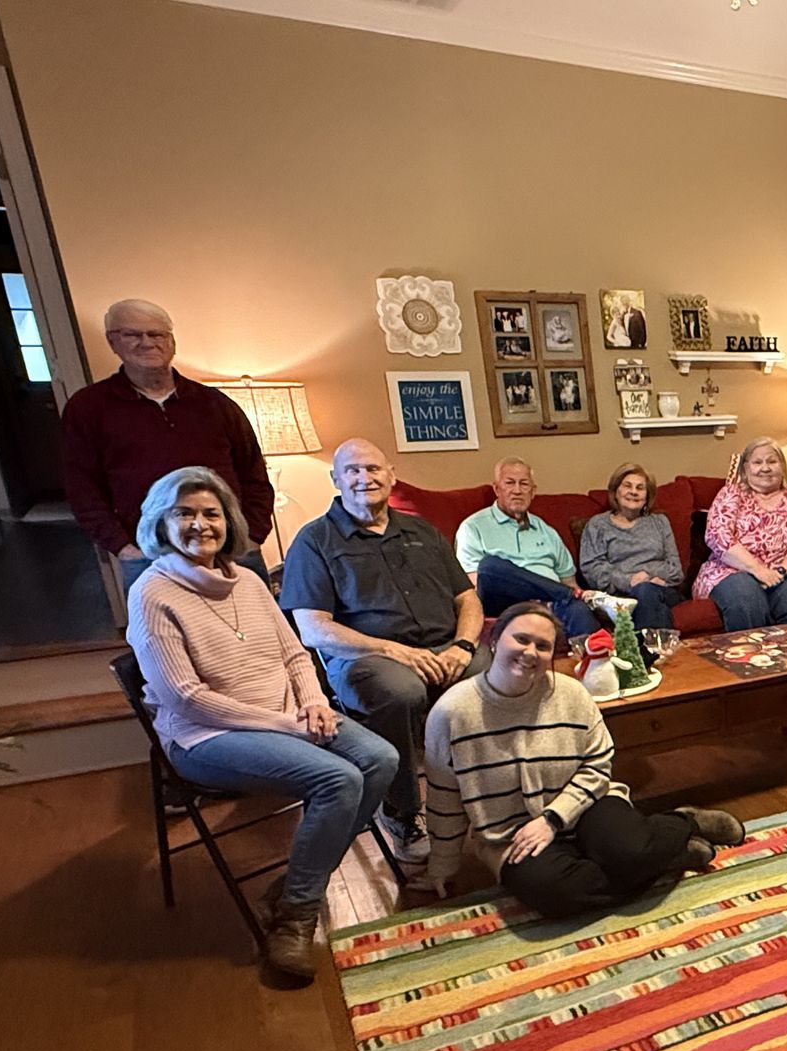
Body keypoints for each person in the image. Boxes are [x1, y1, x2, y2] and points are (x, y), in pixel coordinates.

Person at [125, 467, 397, 986]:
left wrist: (314, 701)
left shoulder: (248, 580)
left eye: (211, 513)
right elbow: (188, 697)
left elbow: (295, 653)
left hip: (290, 714)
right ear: (162, 522)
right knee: (338, 780)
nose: (200, 525)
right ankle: (296, 916)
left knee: (380, 759)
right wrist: (288, 724)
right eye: (185, 513)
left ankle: (298, 883)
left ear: (228, 521)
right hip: (206, 735)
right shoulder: (152, 594)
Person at [416, 601, 746, 917]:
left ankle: (683, 822)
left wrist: (552, 820)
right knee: (556, 894)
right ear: (494, 640)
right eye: (521, 639)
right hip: (512, 835)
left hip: (589, 805)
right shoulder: (451, 713)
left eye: (542, 646)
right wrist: (442, 866)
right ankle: (663, 857)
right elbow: (445, 796)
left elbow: (599, 764)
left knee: (629, 853)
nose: (530, 652)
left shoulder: (572, 695)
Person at [282, 438, 486, 862]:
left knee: (500, 672)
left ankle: (494, 793)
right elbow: (312, 629)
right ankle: (402, 810)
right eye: (353, 470)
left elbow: (466, 598)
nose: (364, 478)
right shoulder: (315, 540)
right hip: (365, 659)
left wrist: (464, 646)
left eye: (373, 469)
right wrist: (393, 650)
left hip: (445, 648)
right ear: (335, 479)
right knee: (402, 691)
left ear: (390, 475)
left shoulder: (422, 531)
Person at [61, 298, 274, 593]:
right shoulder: (88, 408)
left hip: (229, 552)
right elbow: (83, 489)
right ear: (113, 342)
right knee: (162, 637)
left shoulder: (215, 404)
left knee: (255, 634)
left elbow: (255, 475)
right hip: (149, 557)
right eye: (132, 335)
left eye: (157, 334)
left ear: (172, 342)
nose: (147, 343)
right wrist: (124, 548)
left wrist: (251, 536)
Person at [453, 457, 616, 637]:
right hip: (505, 604)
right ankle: (575, 596)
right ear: (496, 489)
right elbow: (475, 586)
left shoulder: (546, 531)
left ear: (533, 491)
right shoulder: (473, 527)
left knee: (576, 607)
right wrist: (568, 593)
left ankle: (599, 658)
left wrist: (567, 595)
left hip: (550, 604)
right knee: (490, 566)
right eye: (509, 483)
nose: (517, 490)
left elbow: (569, 581)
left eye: (524, 484)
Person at [690, 438, 787, 632]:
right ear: (745, 468)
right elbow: (718, 536)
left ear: (782, 467)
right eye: (757, 462)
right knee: (747, 597)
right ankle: (749, 660)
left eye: (772, 461)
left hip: (783, 573)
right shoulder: (731, 494)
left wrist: (781, 571)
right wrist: (758, 569)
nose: (765, 468)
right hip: (732, 572)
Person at [578, 463, 684, 631]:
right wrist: (628, 581)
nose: (633, 492)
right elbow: (593, 570)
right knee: (650, 600)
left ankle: (645, 651)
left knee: (646, 592)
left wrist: (648, 576)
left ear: (647, 496)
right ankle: (660, 650)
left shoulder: (659, 522)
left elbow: (676, 570)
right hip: (619, 597)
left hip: (662, 590)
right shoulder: (597, 525)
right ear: (616, 491)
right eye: (627, 486)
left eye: (640, 488)